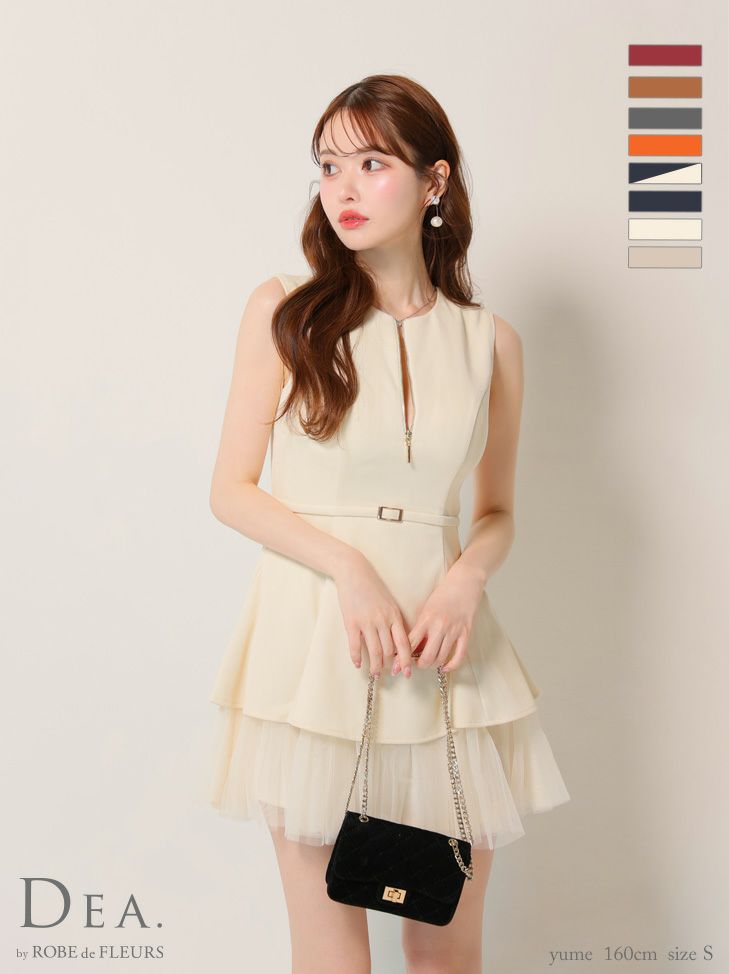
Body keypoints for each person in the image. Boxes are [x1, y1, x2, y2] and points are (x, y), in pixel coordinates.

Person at [206, 74, 570, 974]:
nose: (344, 187)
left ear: (433, 180)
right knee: (332, 955)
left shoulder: (490, 342)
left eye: (372, 163)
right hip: (316, 652)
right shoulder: (283, 309)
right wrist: (349, 568)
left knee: (445, 951)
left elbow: (494, 511)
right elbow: (232, 490)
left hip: (445, 657)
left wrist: (465, 578)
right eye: (329, 165)